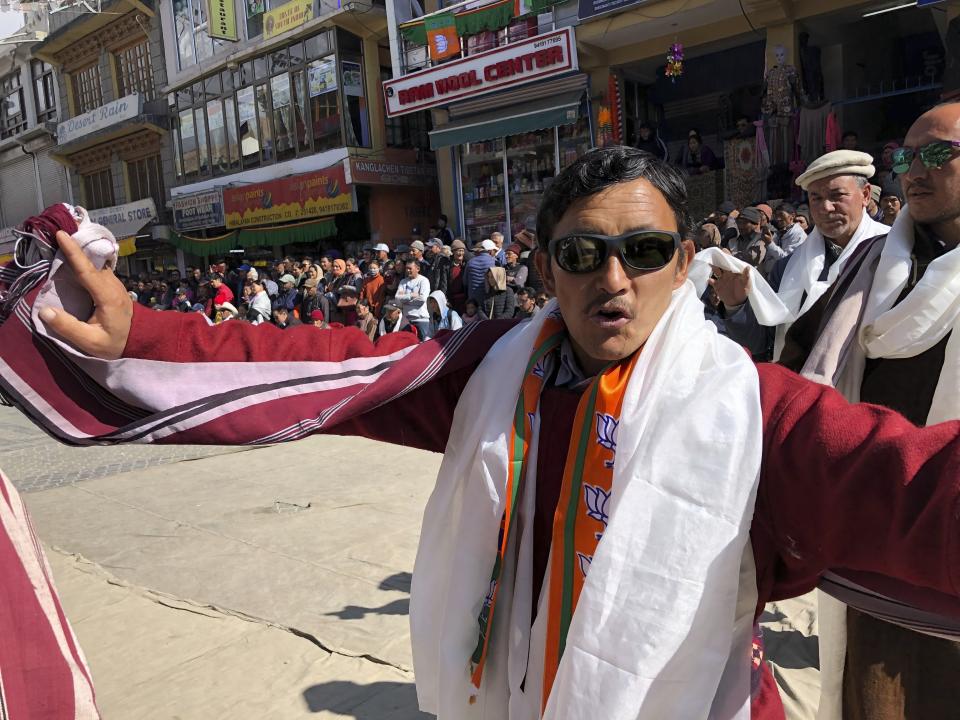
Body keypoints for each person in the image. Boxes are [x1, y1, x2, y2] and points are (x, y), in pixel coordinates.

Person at [17, 147, 960, 720]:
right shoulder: (494, 376)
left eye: (642, 252)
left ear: (685, 264)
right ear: (548, 268)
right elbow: (338, 364)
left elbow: (913, 487)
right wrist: (143, 335)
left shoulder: (752, 412)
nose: (614, 281)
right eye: (583, 254)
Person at [774, 102, 960, 720]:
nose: (918, 172)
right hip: (875, 534)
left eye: (939, 154)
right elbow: (805, 361)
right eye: (907, 158)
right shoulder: (870, 266)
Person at [713, 150, 890, 360]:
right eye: (816, 198)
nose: (826, 207)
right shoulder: (788, 267)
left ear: (866, 195)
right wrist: (736, 306)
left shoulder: (892, 251)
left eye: (837, 196)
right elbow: (763, 343)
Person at [394, 259, 430, 338]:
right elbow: (397, 299)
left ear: (418, 269)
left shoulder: (424, 281)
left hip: (421, 319)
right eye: (406, 268)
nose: (407, 270)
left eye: (410, 268)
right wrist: (411, 295)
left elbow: (422, 299)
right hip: (406, 320)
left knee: (422, 345)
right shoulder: (403, 281)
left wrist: (404, 299)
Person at [447, 239, 469, 313]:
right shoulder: (448, 266)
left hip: (465, 299)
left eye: (462, 251)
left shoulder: (466, 265)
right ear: (453, 252)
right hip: (452, 300)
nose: (461, 253)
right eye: (458, 251)